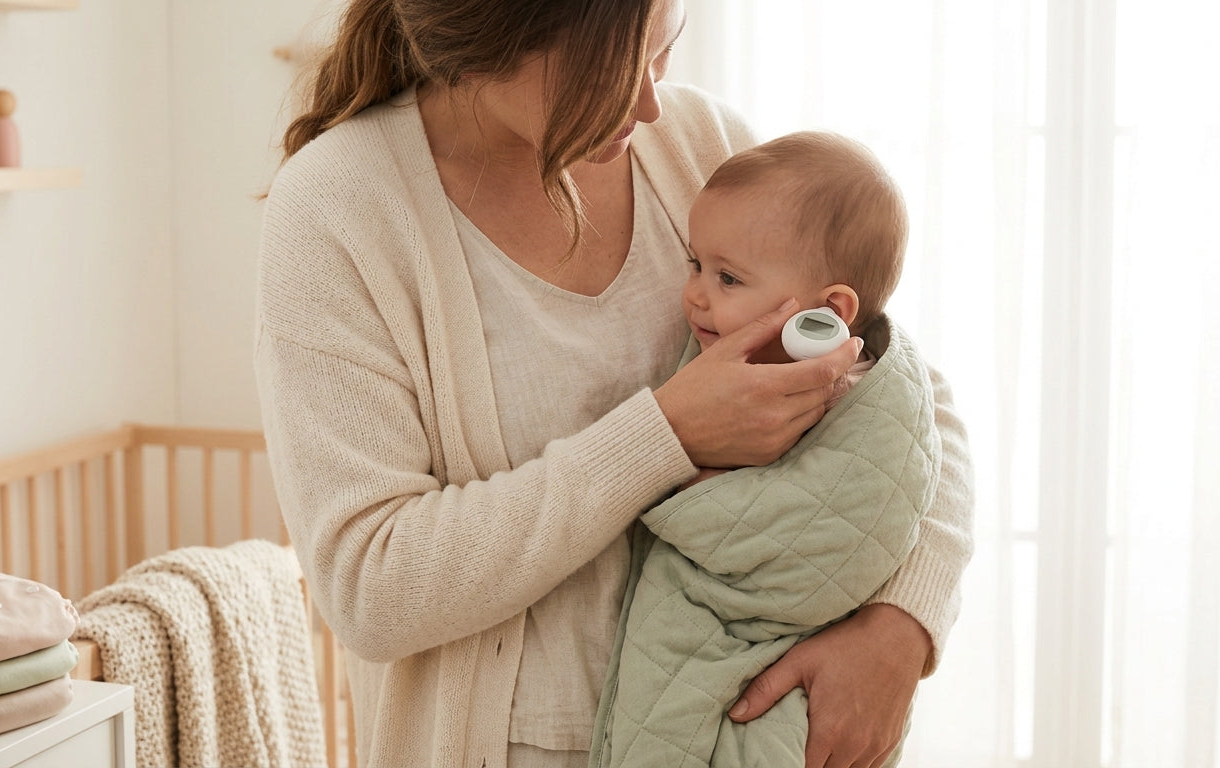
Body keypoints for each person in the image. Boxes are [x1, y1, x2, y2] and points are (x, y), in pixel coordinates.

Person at [253, 1, 975, 766]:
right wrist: (665, 435)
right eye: (619, 70)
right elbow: (370, 588)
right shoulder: (342, 207)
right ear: (494, 37)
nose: (651, 102)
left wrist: (903, 625)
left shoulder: (703, 149)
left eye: (663, 54)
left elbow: (910, 403)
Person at [589, 132, 941, 768]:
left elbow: (854, 509)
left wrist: (684, 487)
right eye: (694, 264)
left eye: (727, 278)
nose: (695, 294)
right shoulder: (738, 359)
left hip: (785, 663)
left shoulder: (848, 395)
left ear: (832, 312)